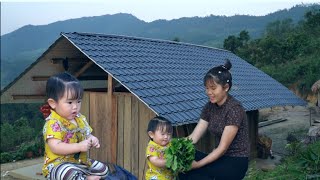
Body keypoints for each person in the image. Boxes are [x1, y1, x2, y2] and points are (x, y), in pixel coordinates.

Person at [42, 72, 139, 180]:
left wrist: (92, 139)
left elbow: (86, 134)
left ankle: (83, 176)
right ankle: (85, 178)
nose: (75, 107)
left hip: (81, 163)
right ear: (53, 103)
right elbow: (55, 147)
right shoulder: (53, 123)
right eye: (70, 103)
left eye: (78, 101)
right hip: (59, 165)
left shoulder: (80, 118)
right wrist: (78, 147)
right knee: (65, 173)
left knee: (103, 169)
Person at [179, 60, 249, 180]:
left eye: (213, 88)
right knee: (184, 158)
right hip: (219, 157)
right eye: (207, 88)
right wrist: (173, 145)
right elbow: (194, 137)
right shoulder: (209, 107)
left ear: (225, 87)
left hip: (235, 162)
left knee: (194, 174)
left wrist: (197, 165)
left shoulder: (234, 109)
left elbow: (222, 148)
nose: (209, 92)